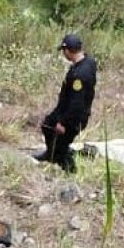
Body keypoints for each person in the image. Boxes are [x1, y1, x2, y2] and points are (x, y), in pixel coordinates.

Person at [35, 33, 97, 173]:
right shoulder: (88, 62)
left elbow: (77, 104)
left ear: (67, 50)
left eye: (64, 51)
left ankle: (70, 170)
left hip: (73, 116)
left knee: (62, 145)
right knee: (47, 124)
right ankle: (50, 154)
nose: (63, 54)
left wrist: (63, 122)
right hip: (65, 108)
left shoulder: (79, 75)